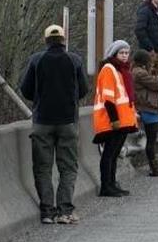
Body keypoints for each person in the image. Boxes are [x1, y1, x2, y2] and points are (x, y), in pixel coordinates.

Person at [18, 24, 90, 224]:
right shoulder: (74, 60)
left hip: (42, 121)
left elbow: (25, 89)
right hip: (67, 121)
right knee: (68, 167)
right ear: (64, 40)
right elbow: (83, 89)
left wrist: (41, 100)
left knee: (42, 167)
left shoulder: (36, 60)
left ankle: (47, 212)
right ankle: (65, 210)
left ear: (46, 40)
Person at [93, 40, 139, 197]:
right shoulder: (109, 69)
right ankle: (106, 186)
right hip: (112, 120)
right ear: (114, 54)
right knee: (109, 154)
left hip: (122, 120)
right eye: (122, 53)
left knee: (114, 154)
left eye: (127, 53)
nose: (125, 56)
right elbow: (108, 98)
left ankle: (112, 184)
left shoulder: (121, 70)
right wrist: (114, 120)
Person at [132, 49, 158, 177]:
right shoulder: (140, 73)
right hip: (148, 108)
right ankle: (154, 169)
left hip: (146, 107)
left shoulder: (137, 71)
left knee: (151, 140)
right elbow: (155, 84)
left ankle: (154, 168)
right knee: (151, 140)